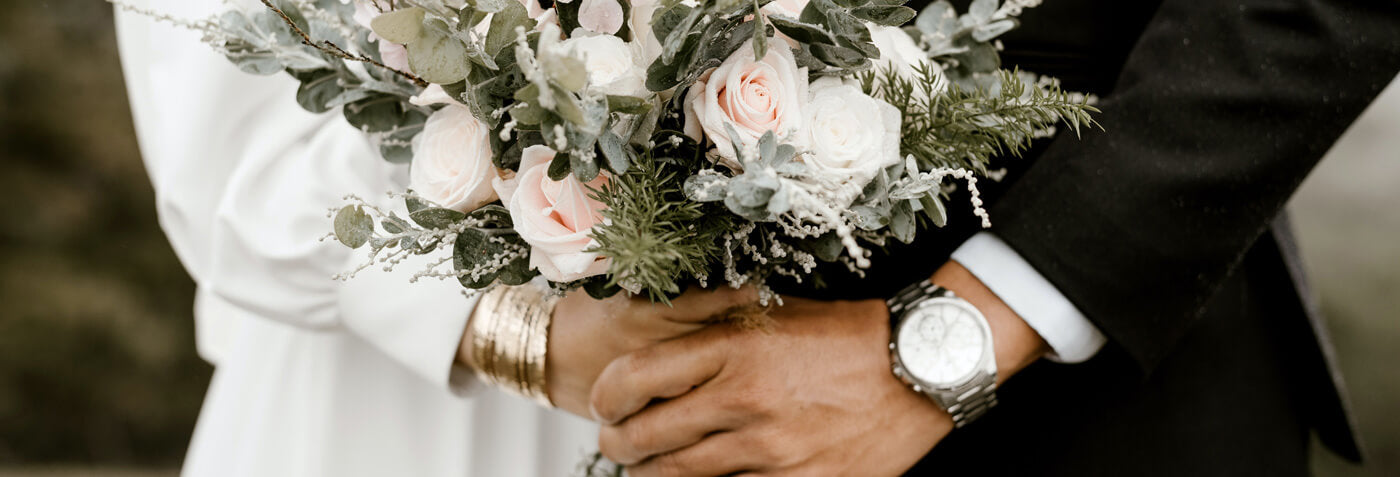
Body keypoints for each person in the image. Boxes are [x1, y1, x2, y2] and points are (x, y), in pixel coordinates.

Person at [117, 1, 1399, 477]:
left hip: (1085, 379)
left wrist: (951, 334)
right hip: (421, 399)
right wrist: (524, 331)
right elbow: (223, 108)